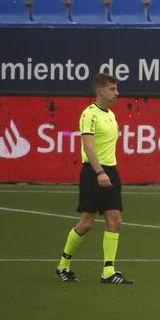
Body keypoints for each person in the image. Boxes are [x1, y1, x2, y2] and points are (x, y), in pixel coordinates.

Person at [54, 73, 133, 285]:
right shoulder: (89, 114)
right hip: (93, 173)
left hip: (111, 171)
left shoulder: (111, 114)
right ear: (100, 91)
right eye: (112, 89)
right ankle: (63, 265)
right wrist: (99, 172)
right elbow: (88, 146)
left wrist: (108, 172)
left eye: (116, 89)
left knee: (115, 221)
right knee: (87, 222)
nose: (117, 93)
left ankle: (108, 271)